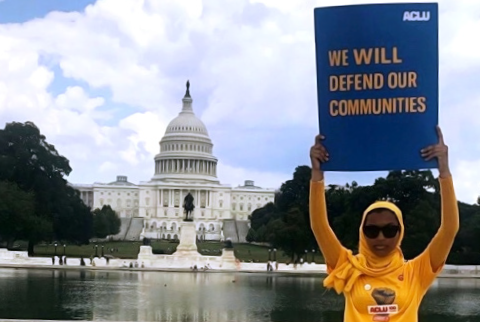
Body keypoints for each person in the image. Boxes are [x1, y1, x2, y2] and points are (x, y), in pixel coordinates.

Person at [309, 126, 459, 322]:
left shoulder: (416, 272)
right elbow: (319, 227)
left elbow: (449, 229)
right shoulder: (348, 267)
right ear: (362, 232)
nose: (381, 238)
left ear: (400, 232)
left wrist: (444, 171)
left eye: (390, 230)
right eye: (371, 230)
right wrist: (317, 174)